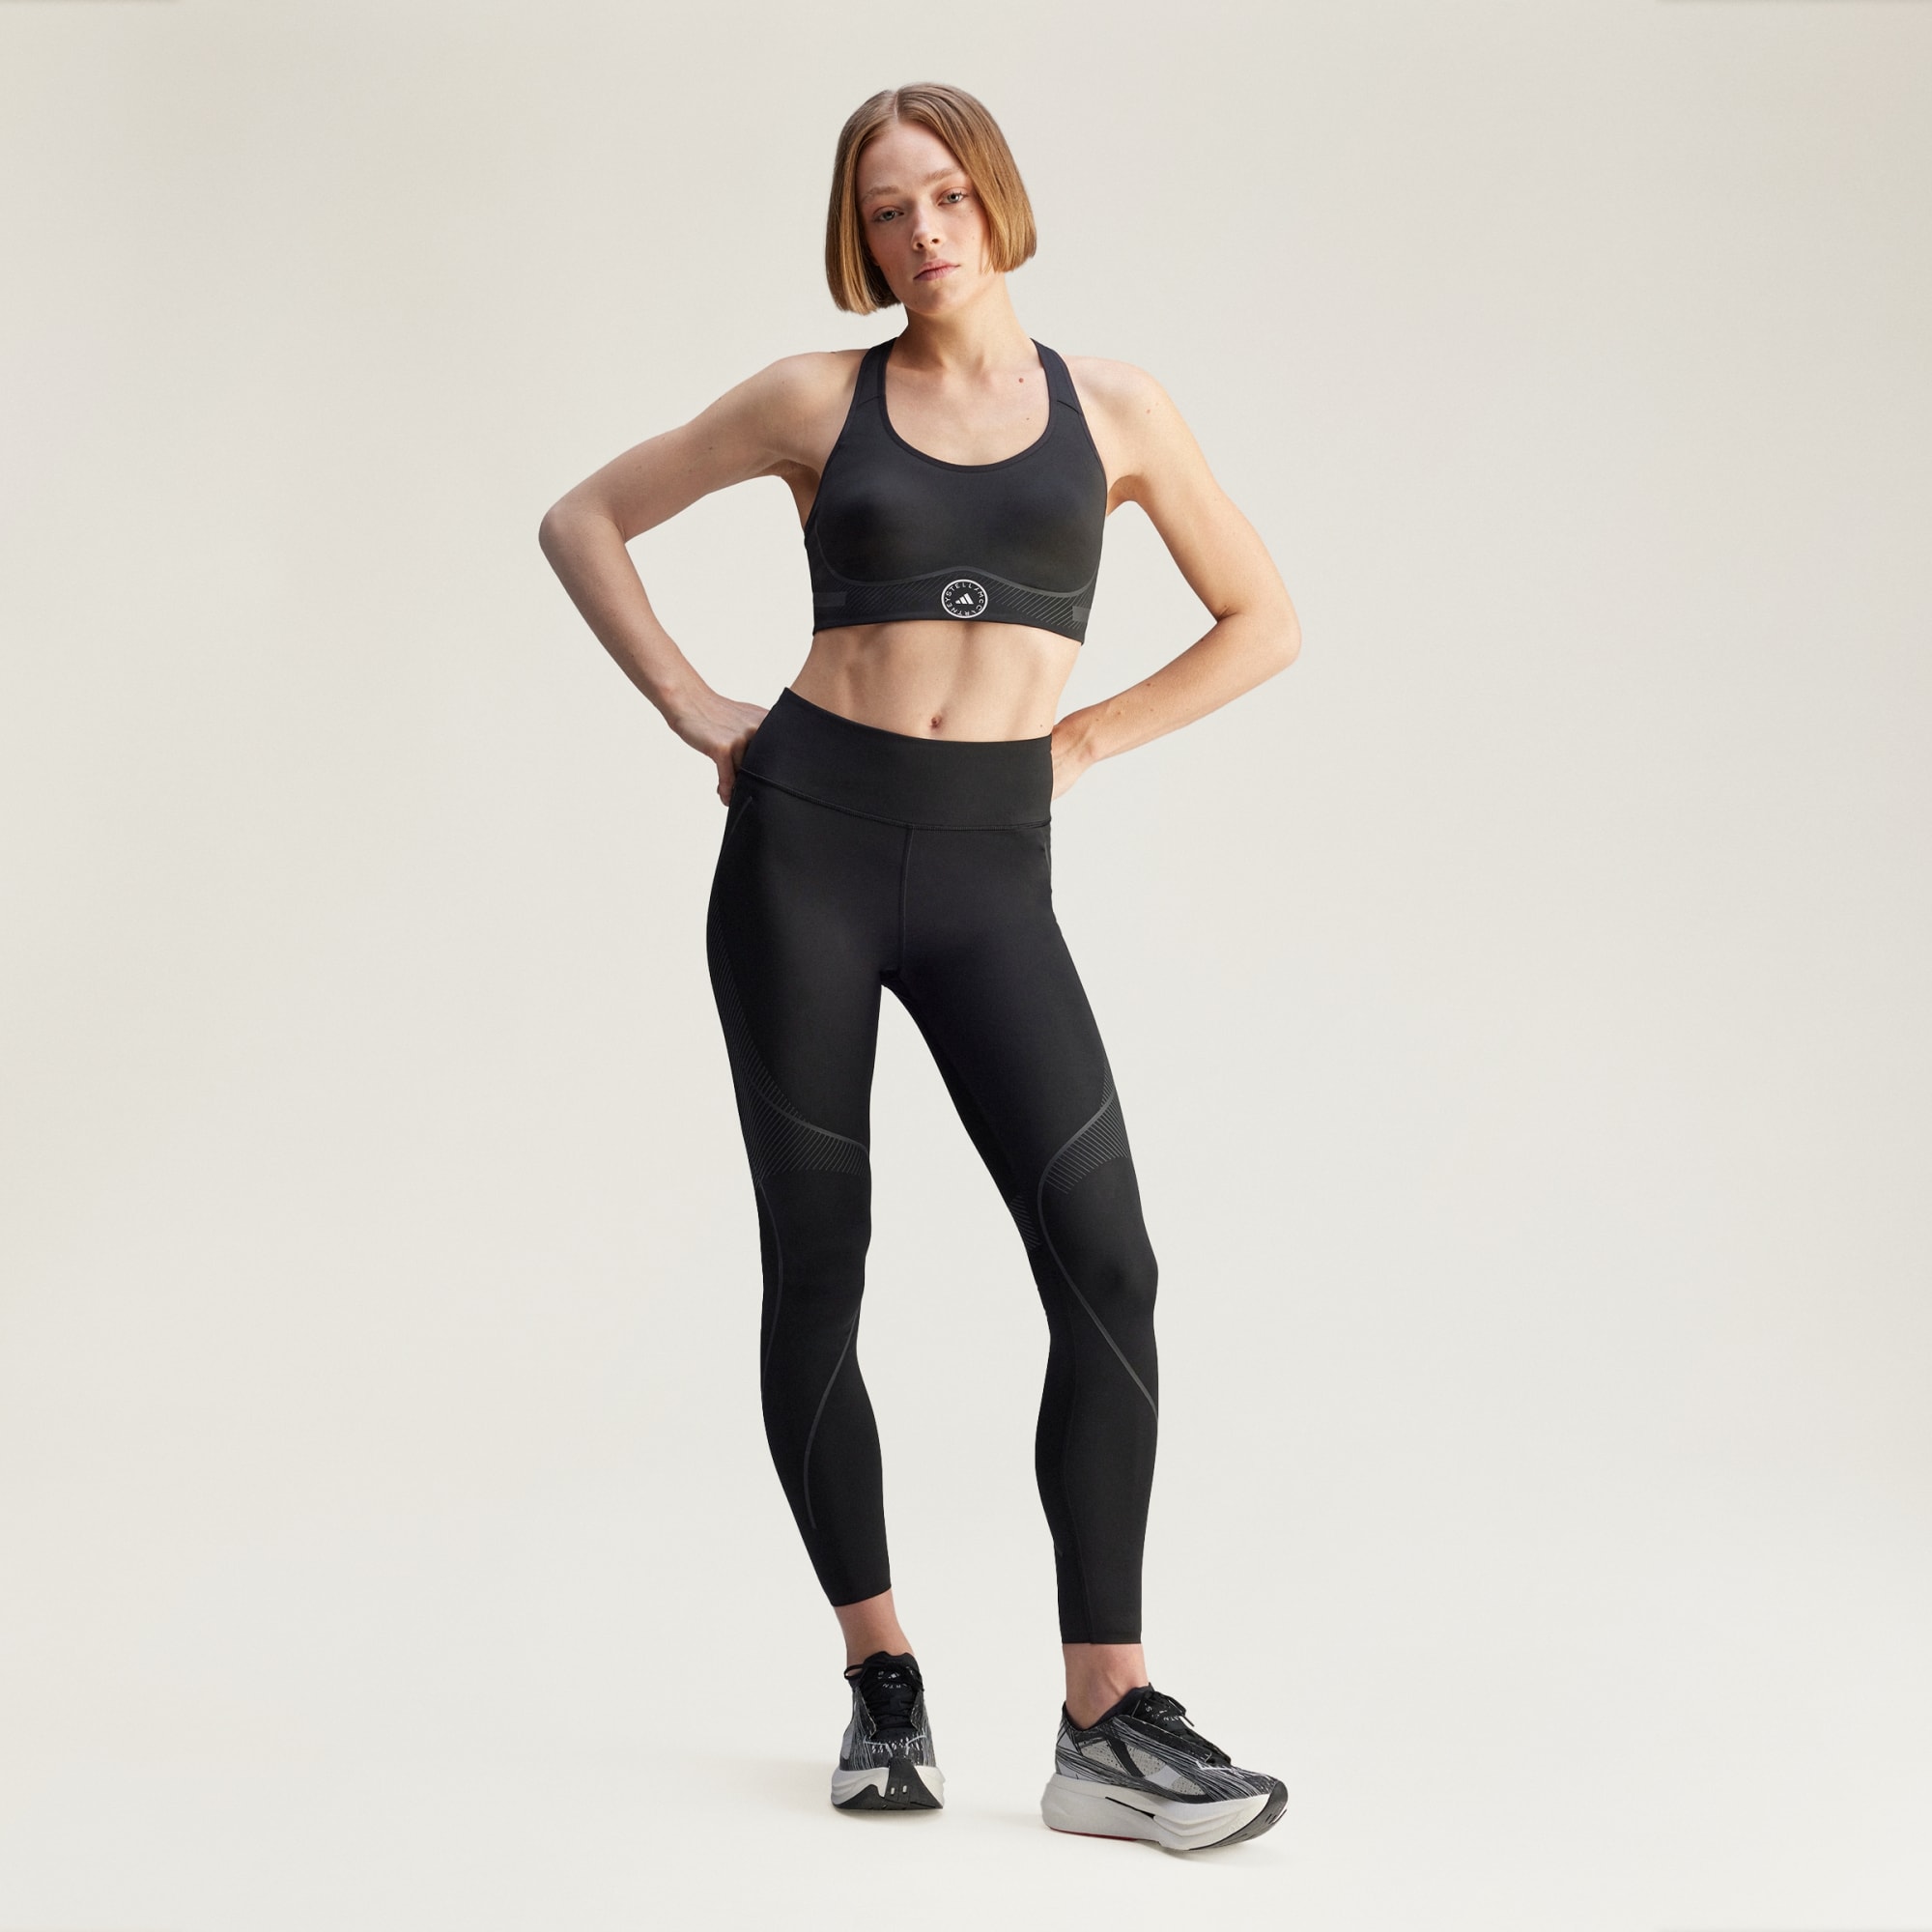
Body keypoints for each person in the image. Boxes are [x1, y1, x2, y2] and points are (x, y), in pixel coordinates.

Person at [538, 81, 1301, 1853]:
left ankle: (1105, 1718)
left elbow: (1264, 619)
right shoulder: (816, 399)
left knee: (1106, 1262)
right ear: (859, 235)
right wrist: (694, 706)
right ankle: (881, 1675)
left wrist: (1085, 740)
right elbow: (583, 518)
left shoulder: (1118, 411)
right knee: (821, 1266)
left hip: (988, 874)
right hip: (801, 851)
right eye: (887, 210)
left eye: (946, 195)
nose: (922, 232)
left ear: (997, 199)